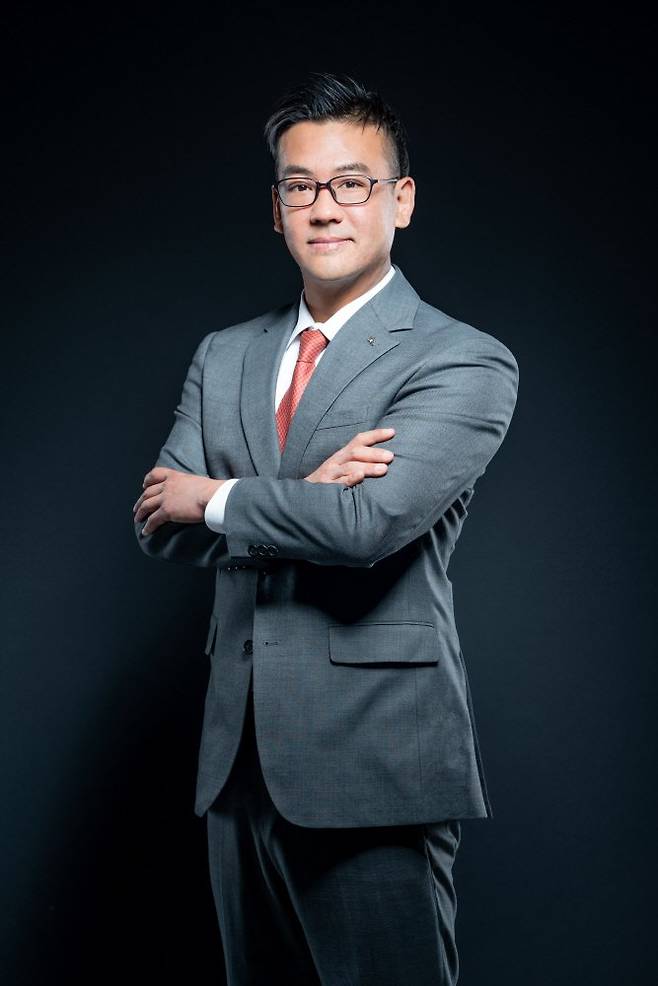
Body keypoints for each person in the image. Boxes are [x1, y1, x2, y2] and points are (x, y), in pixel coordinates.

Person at [132, 71, 519, 986]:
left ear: (400, 200)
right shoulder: (225, 354)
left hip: (374, 765)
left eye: (351, 182)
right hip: (235, 767)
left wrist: (219, 496)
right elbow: (159, 521)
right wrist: (300, 492)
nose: (324, 206)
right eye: (300, 185)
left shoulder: (461, 358)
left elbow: (366, 525)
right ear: (277, 209)